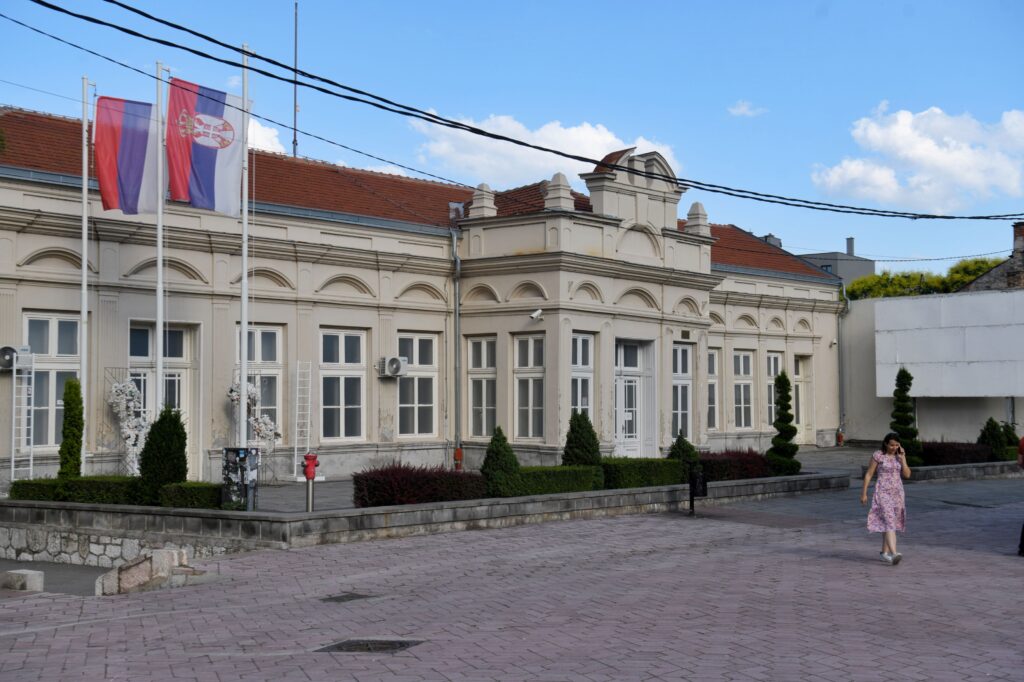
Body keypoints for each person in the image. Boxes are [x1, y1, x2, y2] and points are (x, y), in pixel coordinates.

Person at [861, 432, 912, 565]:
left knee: (890, 523)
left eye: (896, 445)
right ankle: (894, 553)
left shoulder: (899, 456)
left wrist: (903, 459)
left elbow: (907, 475)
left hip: (898, 494)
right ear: (885, 443)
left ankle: (884, 553)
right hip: (882, 492)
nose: (894, 447)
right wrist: (864, 493)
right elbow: (869, 474)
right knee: (889, 522)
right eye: (891, 445)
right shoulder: (878, 455)